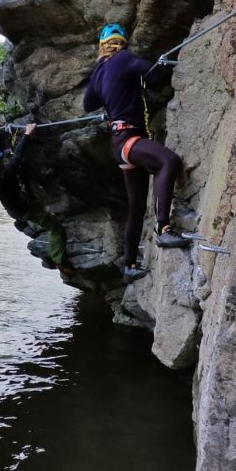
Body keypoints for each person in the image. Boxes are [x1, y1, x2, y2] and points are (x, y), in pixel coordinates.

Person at [82, 23, 190, 284]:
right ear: (123, 43)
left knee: (136, 206)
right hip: (130, 138)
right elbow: (155, 77)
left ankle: (129, 265)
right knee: (168, 161)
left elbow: (88, 104)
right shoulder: (125, 58)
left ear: (102, 46)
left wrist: (111, 94)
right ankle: (163, 228)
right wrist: (158, 63)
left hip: (119, 144)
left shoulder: (98, 72)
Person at [0, 118, 73, 276]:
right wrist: (27, 134)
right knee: (56, 228)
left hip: (14, 206)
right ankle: (59, 261)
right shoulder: (2, 178)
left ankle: (49, 248)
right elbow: (16, 158)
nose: (1, 161)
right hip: (24, 209)